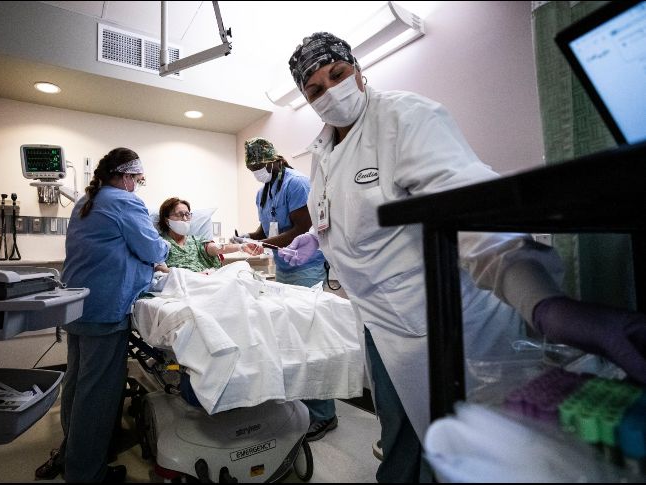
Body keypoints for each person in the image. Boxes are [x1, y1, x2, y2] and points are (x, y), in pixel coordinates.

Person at [281, 32, 646, 482]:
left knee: (475, 453)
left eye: (337, 75)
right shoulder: (323, 151)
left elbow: (473, 215)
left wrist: (543, 302)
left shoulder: (404, 118)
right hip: (380, 326)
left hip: (451, 328)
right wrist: (319, 239)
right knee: (405, 430)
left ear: (357, 70)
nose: (330, 92)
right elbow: (345, 212)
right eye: (315, 89)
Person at [36, 148, 169, 483]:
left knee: (78, 384)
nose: (137, 186)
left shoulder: (86, 202)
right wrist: (163, 250)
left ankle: (71, 455)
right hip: (106, 311)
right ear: (126, 176)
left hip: (78, 307)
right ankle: (86, 472)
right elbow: (152, 249)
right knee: (97, 397)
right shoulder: (125, 202)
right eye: (137, 180)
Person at [232, 137, 338, 442]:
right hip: (286, 269)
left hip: (306, 267)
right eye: (251, 167)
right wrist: (245, 238)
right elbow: (267, 230)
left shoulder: (297, 184)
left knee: (309, 341)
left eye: (258, 166)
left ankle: (324, 414)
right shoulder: (263, 191)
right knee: (292, 340)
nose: (255, 171)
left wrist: (262, 244)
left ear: (274, 159)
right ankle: (303, 406)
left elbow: (303, 229)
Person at [154, 197, 251, 273]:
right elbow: (159, 269)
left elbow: (216, 248)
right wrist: (186, 274)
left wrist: (241, 246)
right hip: (181, 281)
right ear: (167, 220)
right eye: (179, 214)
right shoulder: (159, 242)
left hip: (205, 278)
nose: (184, 218)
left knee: (242, 267)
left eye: (187, 214)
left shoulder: (198, 241)